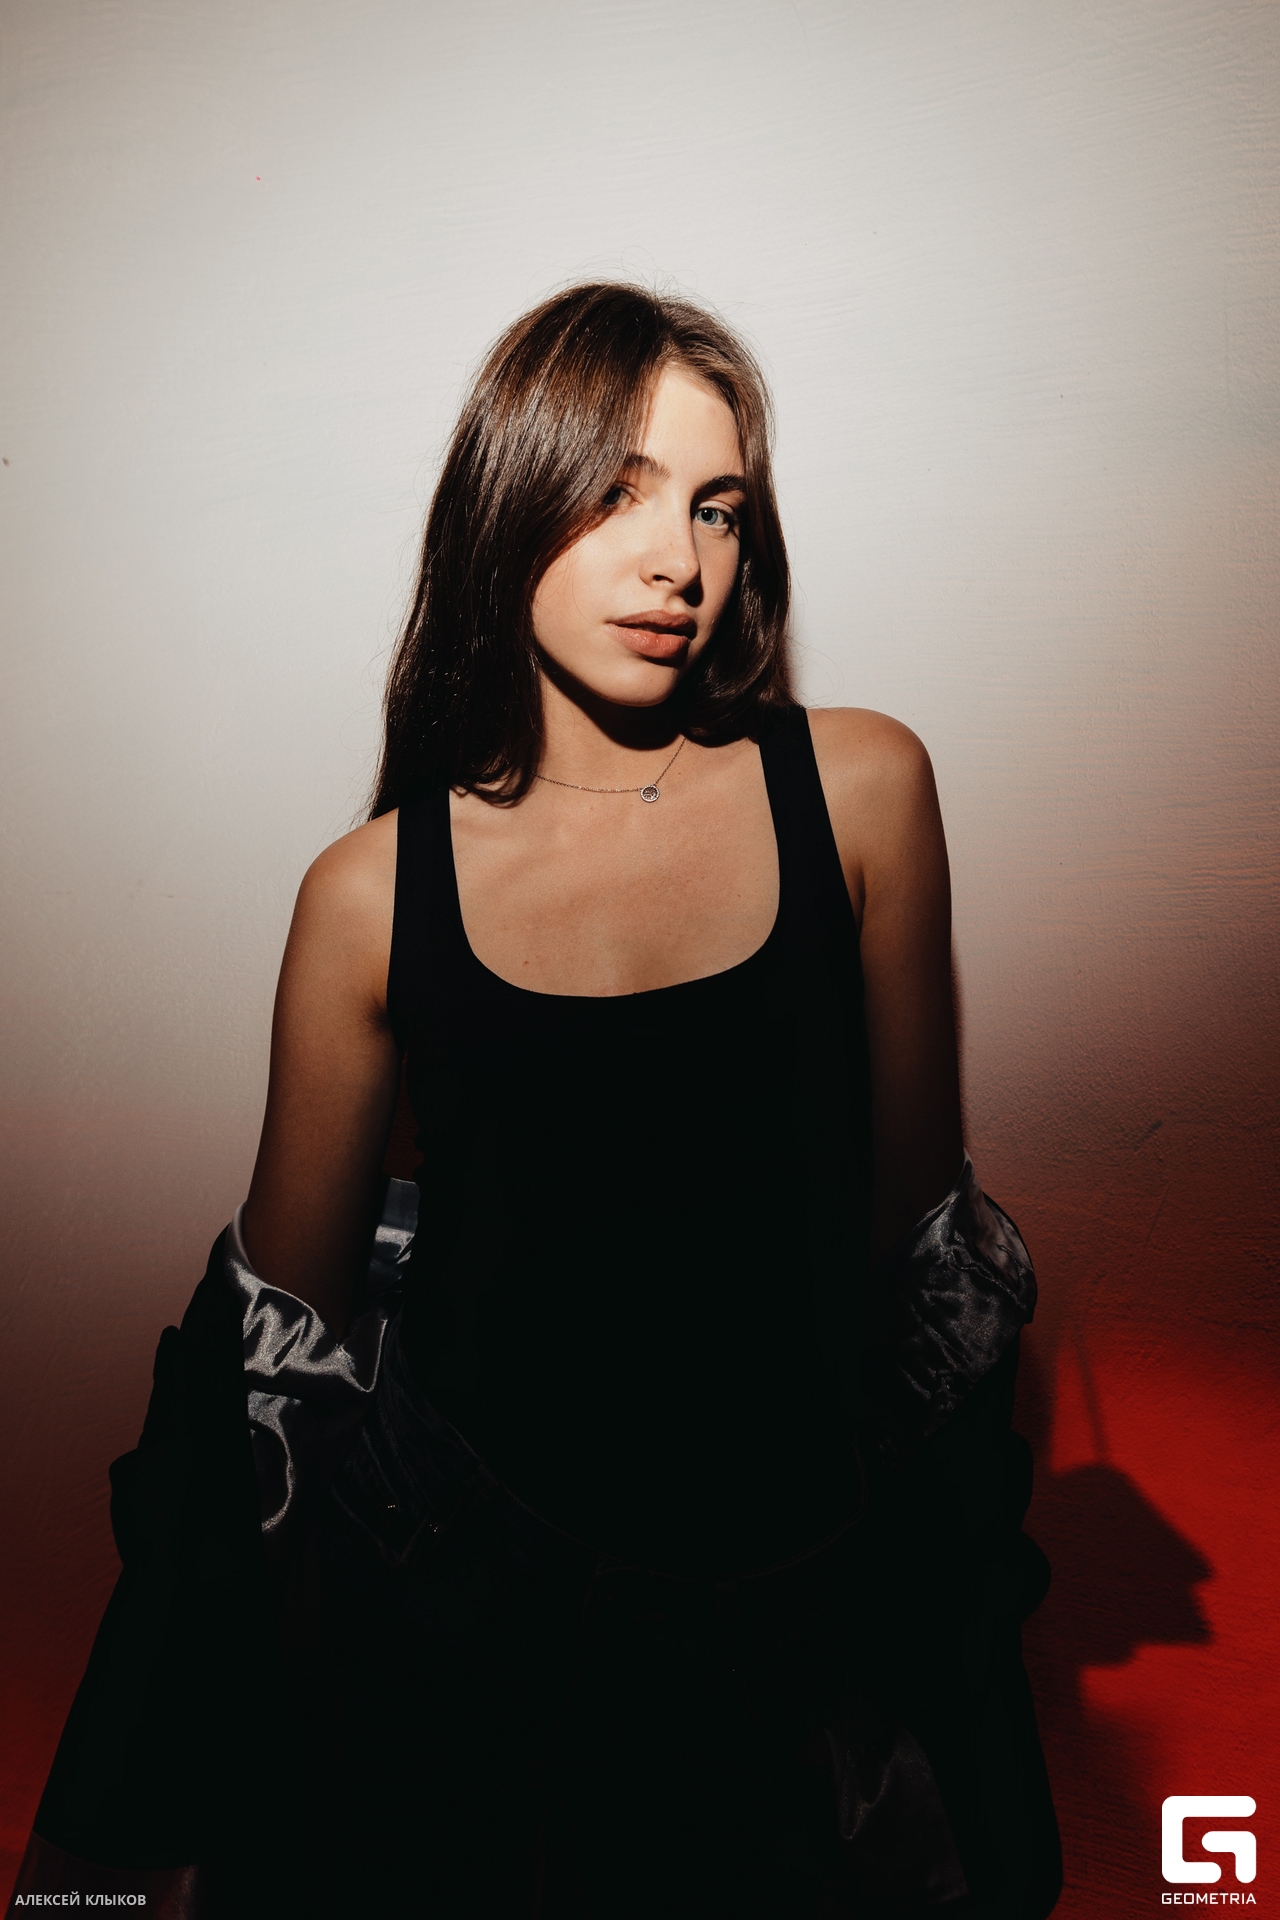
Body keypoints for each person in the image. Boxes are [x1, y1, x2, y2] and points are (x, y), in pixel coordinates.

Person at [16, 284, 1061, 1919]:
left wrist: (950, 1671)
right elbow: (276, 1363)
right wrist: (140, 1799)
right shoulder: (371, 892)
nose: (680, 561)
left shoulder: (859, 789)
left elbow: (926, 1281)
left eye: (718, 506)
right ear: (513, 499)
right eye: (620, 490)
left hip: (784, 1632)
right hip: (456, 1620)